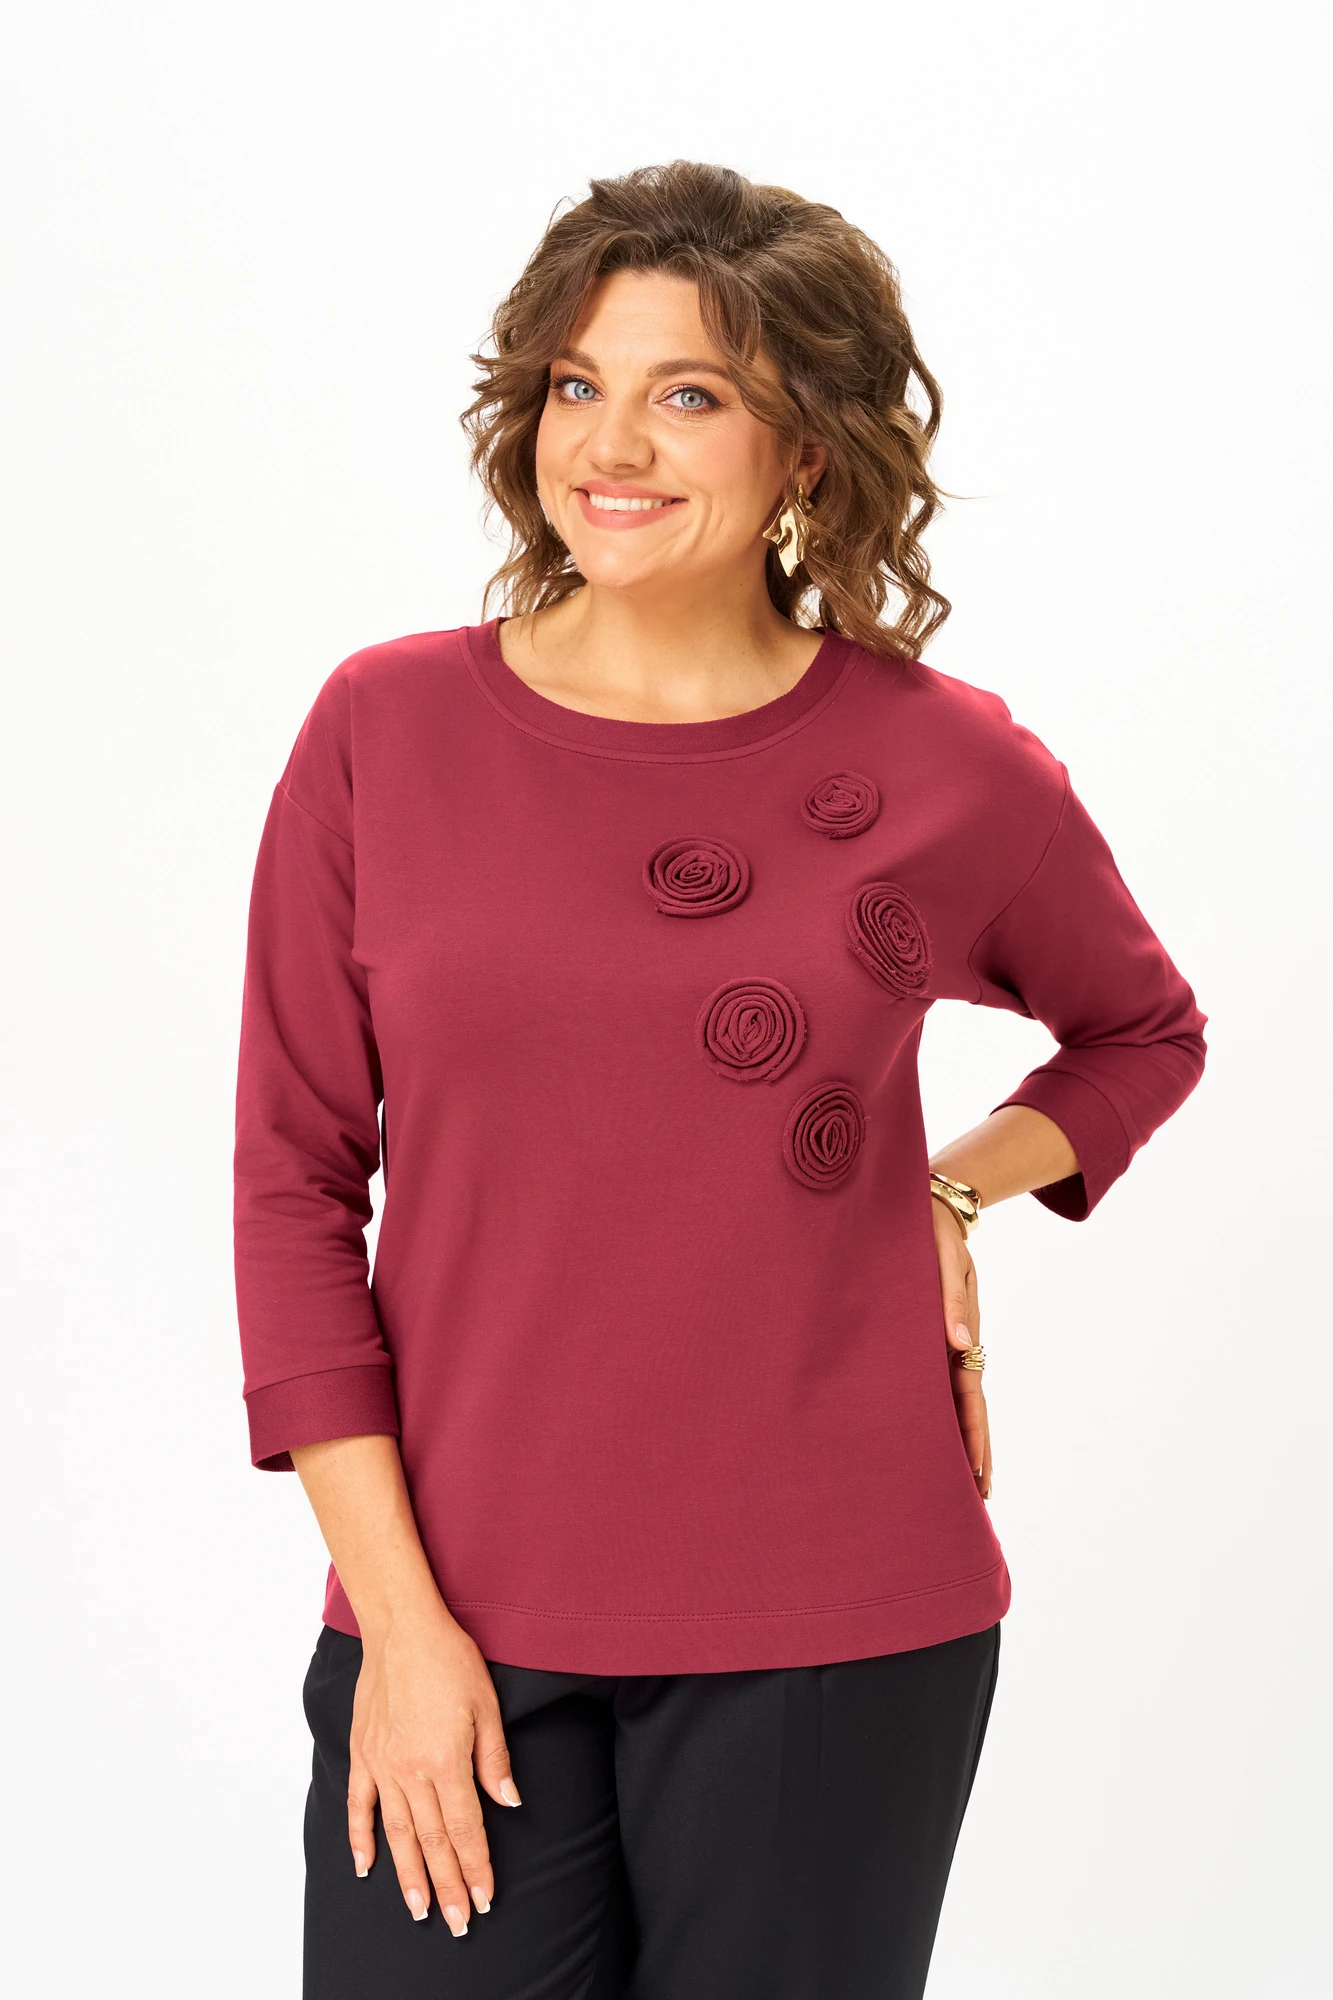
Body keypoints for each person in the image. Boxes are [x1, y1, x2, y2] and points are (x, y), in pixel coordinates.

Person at [233, 160, 1207, 1999]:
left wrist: (949, 1185)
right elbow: (291, 1181)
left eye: (688, 395)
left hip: (842, 1626)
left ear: (808, 452)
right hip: (453, 1619)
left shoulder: (951, 768)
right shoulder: (383, 729)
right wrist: (400, 1634)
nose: (611, 445)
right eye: (575, 385)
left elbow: (1143, 1032)